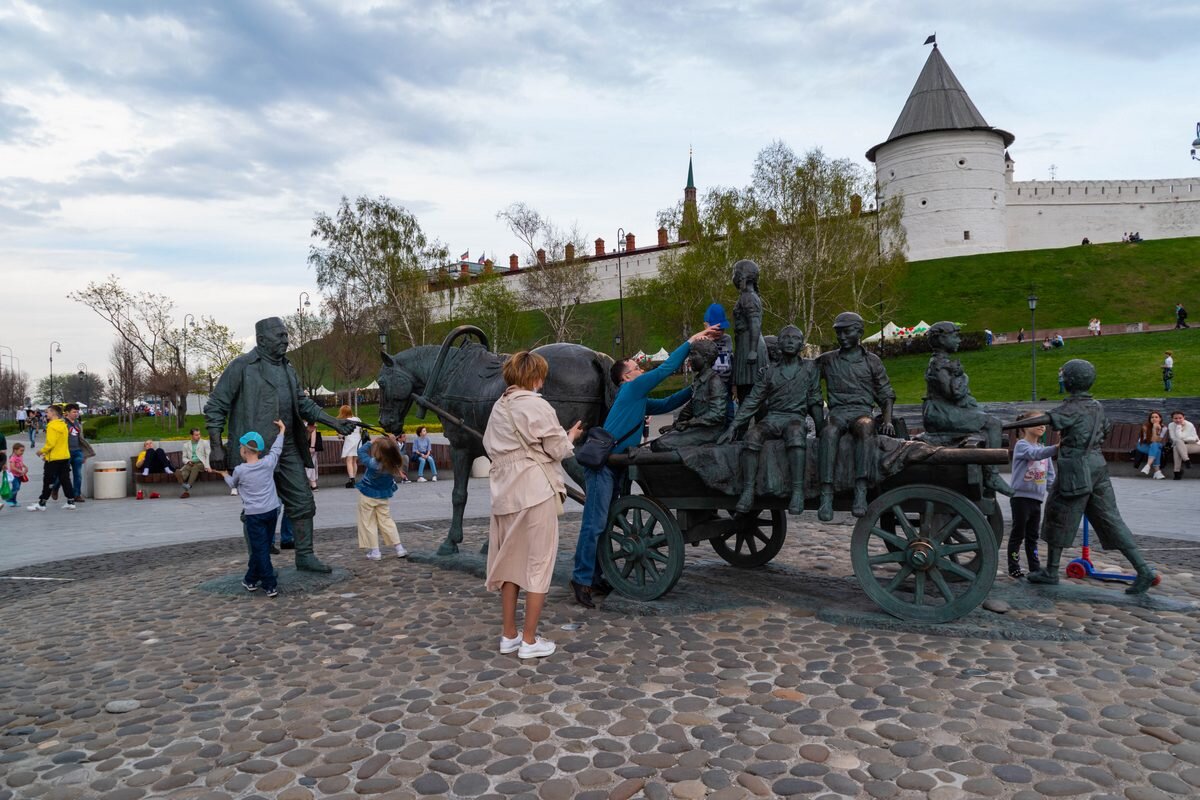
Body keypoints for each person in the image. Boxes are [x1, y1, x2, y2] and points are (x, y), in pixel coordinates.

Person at [572, 324, 721, 609]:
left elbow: (668, 402)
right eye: (636, 366)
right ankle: (581, 580)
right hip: (603, 467)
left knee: (604, 524)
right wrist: (689, 342)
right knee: (594, 525)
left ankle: (595, 576)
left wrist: (700, 383)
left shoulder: (637, 398)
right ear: (627, 377)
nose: (640, 368)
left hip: (614, 466)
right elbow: (664, 371)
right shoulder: (632, 389)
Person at [205, 317, 358, 574]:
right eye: (280, 336)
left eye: (286, 335)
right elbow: (216, 406)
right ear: (262, 340)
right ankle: (259, 563)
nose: (286, 340)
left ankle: (305, 556)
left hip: (286, 448)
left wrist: (334, 423)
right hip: (255, 451)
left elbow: (303, 404)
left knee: (303, 501)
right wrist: (216, 446)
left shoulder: (288, 369)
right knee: (256, 509)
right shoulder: (241, 367)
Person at [1008, 360, 1156, 593]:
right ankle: (1144, 569)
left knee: (1058, 514)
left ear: (1070, 381)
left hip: (1076, 468)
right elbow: (1105, 429)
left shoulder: (1072, 407)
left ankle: (1050, 571)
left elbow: (1047, 419)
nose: (1063, 378)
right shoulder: (1096, 406)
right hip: (1098, 465)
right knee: (1111, 519)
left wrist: (1005, 425)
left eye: (1064, 376)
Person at [484, 351, 583, 658]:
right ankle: (529, 641)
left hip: (504, 493)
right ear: (535, 377)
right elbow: (559, 449)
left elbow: (489, 447)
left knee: (509, 564)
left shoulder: (498, 407)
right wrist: (571, 436)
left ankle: (509, 635)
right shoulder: (536, 405)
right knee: (539, 563)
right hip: (534, 490)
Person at [719, 326, 822, 515]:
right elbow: (753, 400)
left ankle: (798, 491)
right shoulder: (769, 371)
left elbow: (815, 400)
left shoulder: (809, 368)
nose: (790, 341)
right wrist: (734, 426)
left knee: (796, 434)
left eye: (795, 338)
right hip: (773, 417)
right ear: (779, 343)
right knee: (752, 435)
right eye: (785, 338)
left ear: (801, 344)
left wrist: (821, 429)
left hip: (795, 417)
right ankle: (748, 490)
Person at [817, 312, 896, 520]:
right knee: (829, 431)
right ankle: (826, 494)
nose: (842, 336)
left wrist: (887, 420)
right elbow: (801, 372)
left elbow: (886, 394)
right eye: (838, 332)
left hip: (862, 412)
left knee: (865, 426)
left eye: (847, 331)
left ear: (859, 332)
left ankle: (860, 491)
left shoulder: (872, 361)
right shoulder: (827, 360)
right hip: (838, 413)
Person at [217, 421, 286, 598]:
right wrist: (282, 432)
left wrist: (224, 474)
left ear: (244, 450)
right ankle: (250, 580)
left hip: (254, 515)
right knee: (262, 546)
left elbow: (233, 484)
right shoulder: (268, 462)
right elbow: (277, 449)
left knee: (260, 550)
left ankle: (270, 585)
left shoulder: (240, 470)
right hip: (271, 511)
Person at [655, 338, 728, 452]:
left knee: (661, 444)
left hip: (711, 432)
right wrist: (676, 426)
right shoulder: (698, 380)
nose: (690, 359)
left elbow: (717, 414)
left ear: (706, 357)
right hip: (699, 428)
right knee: (660, 441)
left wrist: (689, 423)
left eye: (693, 354)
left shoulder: (714, 381)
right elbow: (692, 406)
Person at [1008, 412, 1057, 578]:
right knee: (1018, 533)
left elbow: (1050, 476)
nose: (1042, 425)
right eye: (1038, 422)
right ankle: (1013, 566)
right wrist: (1057, 448)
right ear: (1024, 426)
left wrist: (1055, 494)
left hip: (1037, 499)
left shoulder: (1044, 450)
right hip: (1021, 498)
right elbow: (1034, 455)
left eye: (1044, 423)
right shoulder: (1022, 445)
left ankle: (1034, 568)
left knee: (1032, 536)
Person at [355, 433, 409, 561]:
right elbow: (396, 452)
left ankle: (375, 551)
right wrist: (392, 442)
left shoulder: (373, 463)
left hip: (367, 495)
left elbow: (360, 451)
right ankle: (399, 548)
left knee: (368, 523)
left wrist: (371, 442)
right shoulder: (394, 463)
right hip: (383, 496)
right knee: (387, 521)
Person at [731, 260, 769, 401]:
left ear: (742, 276)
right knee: (747, 391)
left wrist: (752, 351)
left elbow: (755, 324)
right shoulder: (748, 296)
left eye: (735, 273)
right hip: (745, 343)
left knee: (750, 391)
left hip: (749, 345)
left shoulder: (748, 297)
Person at [28, 405, 76, 511]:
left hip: (54, 458)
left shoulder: (51, 426)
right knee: (65, 479)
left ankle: (42, 503)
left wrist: (41, 451)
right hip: (64, 456)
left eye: (48, 412)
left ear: (53, 413)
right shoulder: (63, 425)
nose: (46, 414)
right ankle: (71, 501)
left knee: (48, 480)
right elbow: (61, 442)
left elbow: (51, 444)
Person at [704, 302, 736, 424]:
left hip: (726, 384)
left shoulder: (727, 339)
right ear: (706, 326)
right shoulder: (702, 341)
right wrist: (708, 338)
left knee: (729, 414)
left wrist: (734, 385)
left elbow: (730, 359)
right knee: (713, 415)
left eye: (721, 329)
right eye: (715, 328)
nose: (719, 332)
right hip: (710, 386)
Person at [176, 428, 211, 498]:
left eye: (199, 434)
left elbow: (208, 455)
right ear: (191, 435)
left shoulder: (204, 443)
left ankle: (188, 486)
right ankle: (183, 483)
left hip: (201, 463)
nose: (199, 436)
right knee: (180, 471)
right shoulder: (186, 445)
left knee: (196, 467)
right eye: (196, 435)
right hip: (191, 463)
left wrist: (208, 466)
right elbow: (184, 458)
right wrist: (188, 461)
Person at [1167, 410, 1200, 479]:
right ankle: (1186, 461)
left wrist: (1182, 437)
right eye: (1175, 418)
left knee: (1177, 445)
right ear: (1172, 419)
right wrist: (1179, 429)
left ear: (1184, 417)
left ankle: (1177, 472)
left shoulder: (1189, 424)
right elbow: (1173, 438)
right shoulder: (1171, 425)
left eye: (1180, 418)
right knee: (1177, 445)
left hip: (1194, 445)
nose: (1178, 420)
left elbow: (1194, 438)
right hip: (1180, 446)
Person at [1136, 410, 1167, 479]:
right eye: (1152, 417)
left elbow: (1157, 440)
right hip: (1142, 446)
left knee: (1156, 446)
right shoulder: (1145, 427)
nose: (1154, 419)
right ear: (1150, 419)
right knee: (1157, 449)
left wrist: (1158, 430)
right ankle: (1157, 472)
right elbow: (1152, 440)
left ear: (1160, 419)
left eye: (1156, 417)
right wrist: (1154, 428)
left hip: (1154, 445)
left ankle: (1148, 466)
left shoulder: (1164, 428)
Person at [338, 405, 363, 488]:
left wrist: (339, 436)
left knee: (349, 460)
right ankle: (353, 479)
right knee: (354, 461)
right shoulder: (357, 419)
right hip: (358, 440)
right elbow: (361, 430)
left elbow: (341, 435)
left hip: (349, 440)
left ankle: (351, 479)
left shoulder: (344, 421)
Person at [305, 421, 320, 490]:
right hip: (311, 447)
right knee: (312, 464)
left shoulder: (308, 423)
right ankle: (313, 484)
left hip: (308, 447)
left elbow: (313, 434)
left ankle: (313, 483)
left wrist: (312, 446)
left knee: (310, 464)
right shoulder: (310, 422)